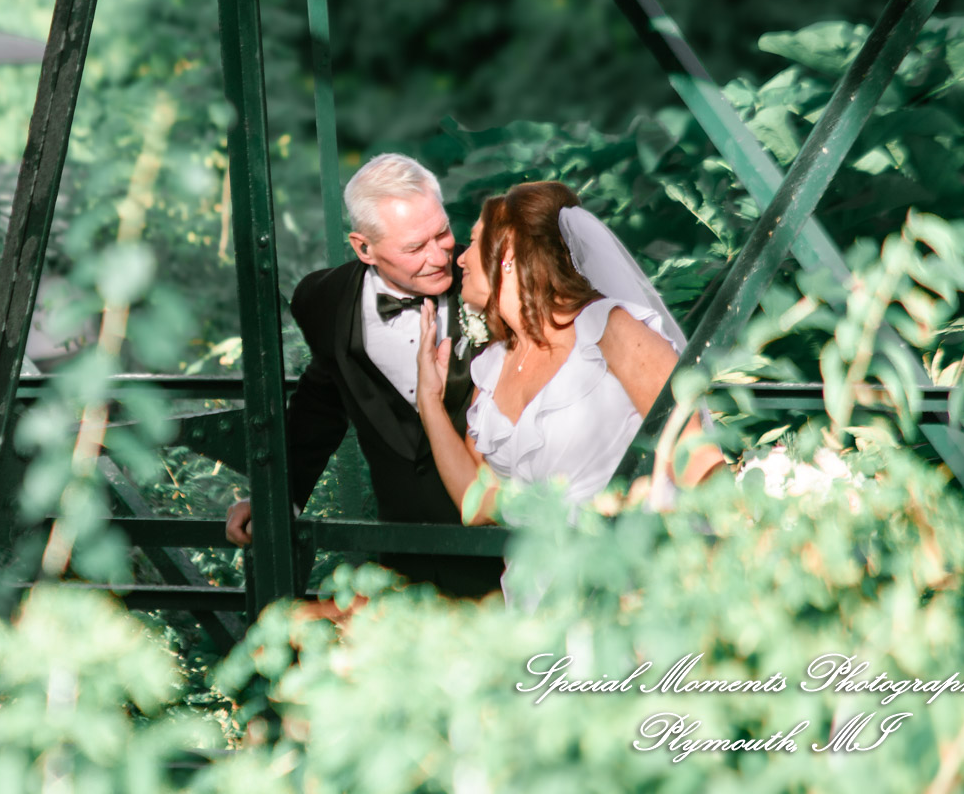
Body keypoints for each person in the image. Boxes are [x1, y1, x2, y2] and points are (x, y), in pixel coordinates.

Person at [225, 154, 504, 597]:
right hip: (401, 552)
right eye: (415, 247)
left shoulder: (492, 282)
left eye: (443, 233)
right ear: (364, 248)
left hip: (501, 547)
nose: (439, 256)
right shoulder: (324, 301)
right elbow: (322, 400)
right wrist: (279, 498)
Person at [414, 181, 723, 533]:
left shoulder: (612, 330)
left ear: (508, 251)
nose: (461, 258)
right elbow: (480, 505)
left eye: (475, 239)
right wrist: (429, 401)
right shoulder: (491, 367)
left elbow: (694, 455)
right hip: (533, 582)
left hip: (625, 570)